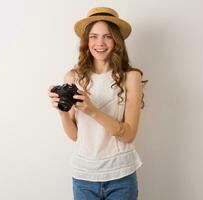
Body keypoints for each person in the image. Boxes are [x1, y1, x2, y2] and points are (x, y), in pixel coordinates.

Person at [48, 7, 148, 200]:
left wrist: (92, 110)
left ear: (116, 41)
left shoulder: (130, 77)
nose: (99, 43)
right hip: (83, 177)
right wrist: (62, 111)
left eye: (107, 36)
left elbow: (128, 135)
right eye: (93, 36)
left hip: (121, 176)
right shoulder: (73, 77)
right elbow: (74, 135)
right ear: (87, 41)